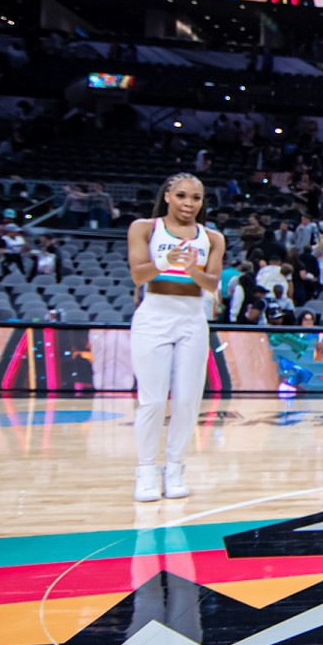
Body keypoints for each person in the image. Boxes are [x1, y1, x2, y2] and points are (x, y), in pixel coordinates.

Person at [127, 173, 225, 503]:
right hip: (154, 315)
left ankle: (175, 468)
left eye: (195, 198)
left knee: (186, 401)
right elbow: (137, 275)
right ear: (167, 195)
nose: (188, 203)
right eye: (182, 195)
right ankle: (145, 470)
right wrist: (166, 260)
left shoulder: (212, 237)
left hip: (192, 318)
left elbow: (211, 283)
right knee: (153, 400)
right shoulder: (144, 228)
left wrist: (193, 270)